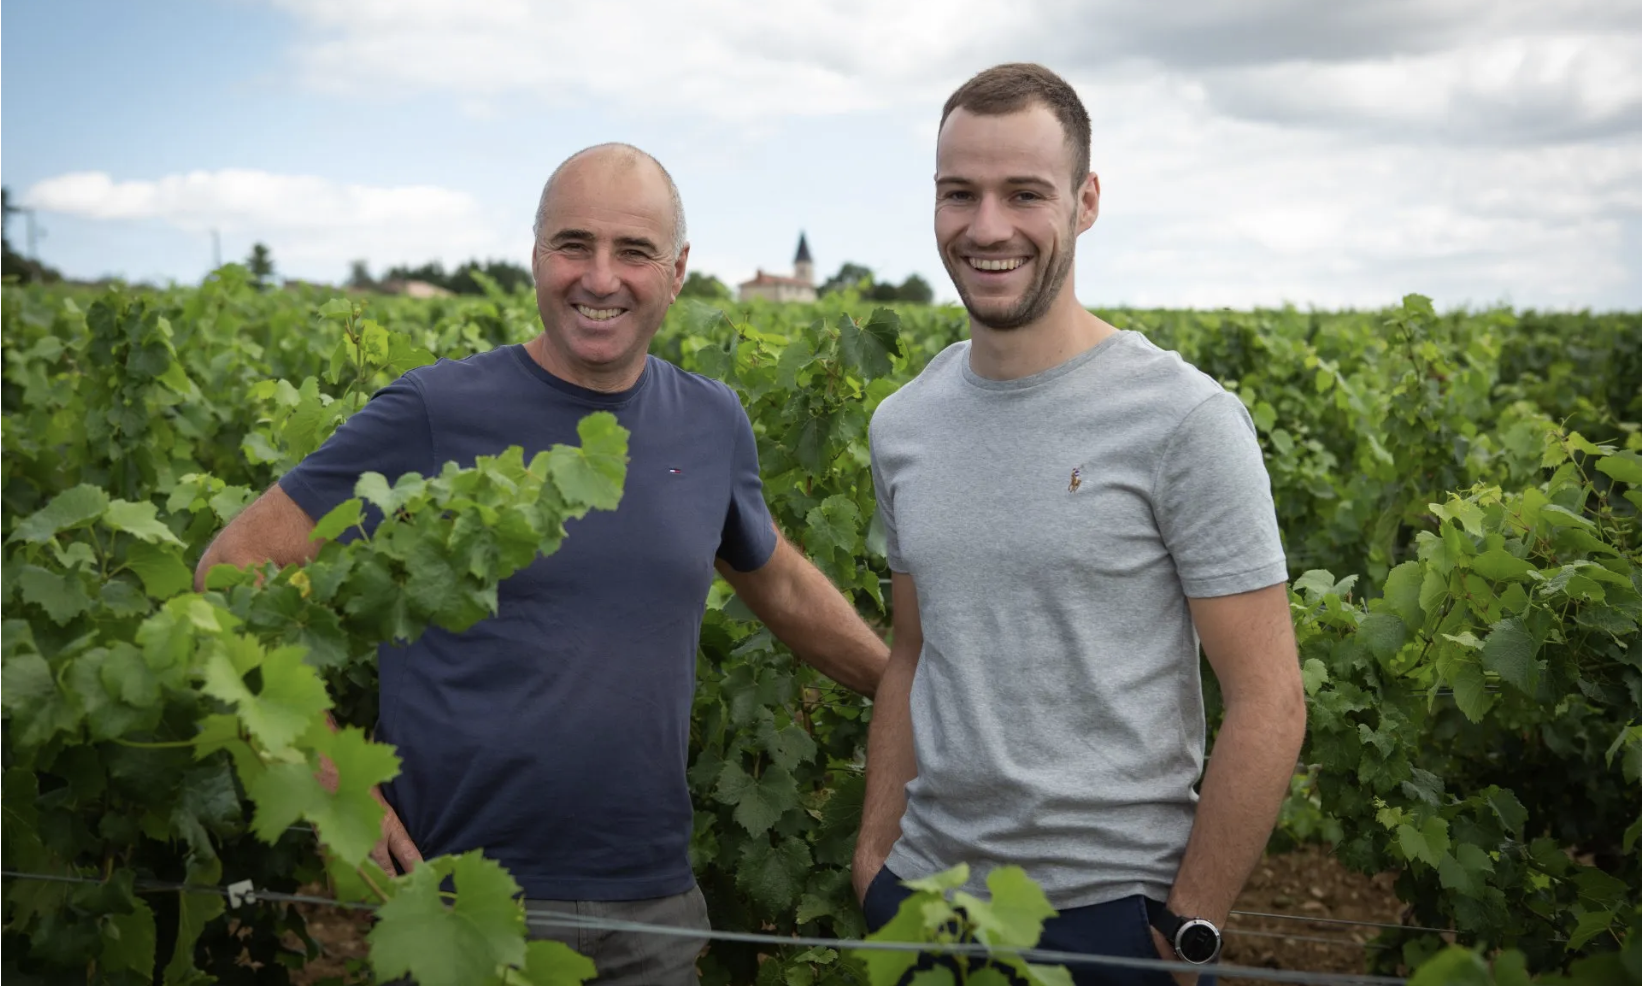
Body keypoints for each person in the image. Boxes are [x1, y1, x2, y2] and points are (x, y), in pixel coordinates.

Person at [197, 143, 889, 986]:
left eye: (633, 251)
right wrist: (332, 769)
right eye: (573, 245)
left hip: (651, 909)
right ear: (535, 257)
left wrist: (907, 688)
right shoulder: (432, 412)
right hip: (457, 904)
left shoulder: (711, 421)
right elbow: (233, 568)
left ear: (677, 272)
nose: (600, 278)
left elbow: (777, 581)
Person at [852, 64, 1307, 986]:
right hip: (923, 904)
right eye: (958, 194)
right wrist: (874, 867)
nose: (987, 227)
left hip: (1106, 921)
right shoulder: (903, 425)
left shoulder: (1183, 420)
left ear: (1086, 200)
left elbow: (1270, 699)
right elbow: (912, 651)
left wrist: (1191, 926)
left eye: (1025, 193)